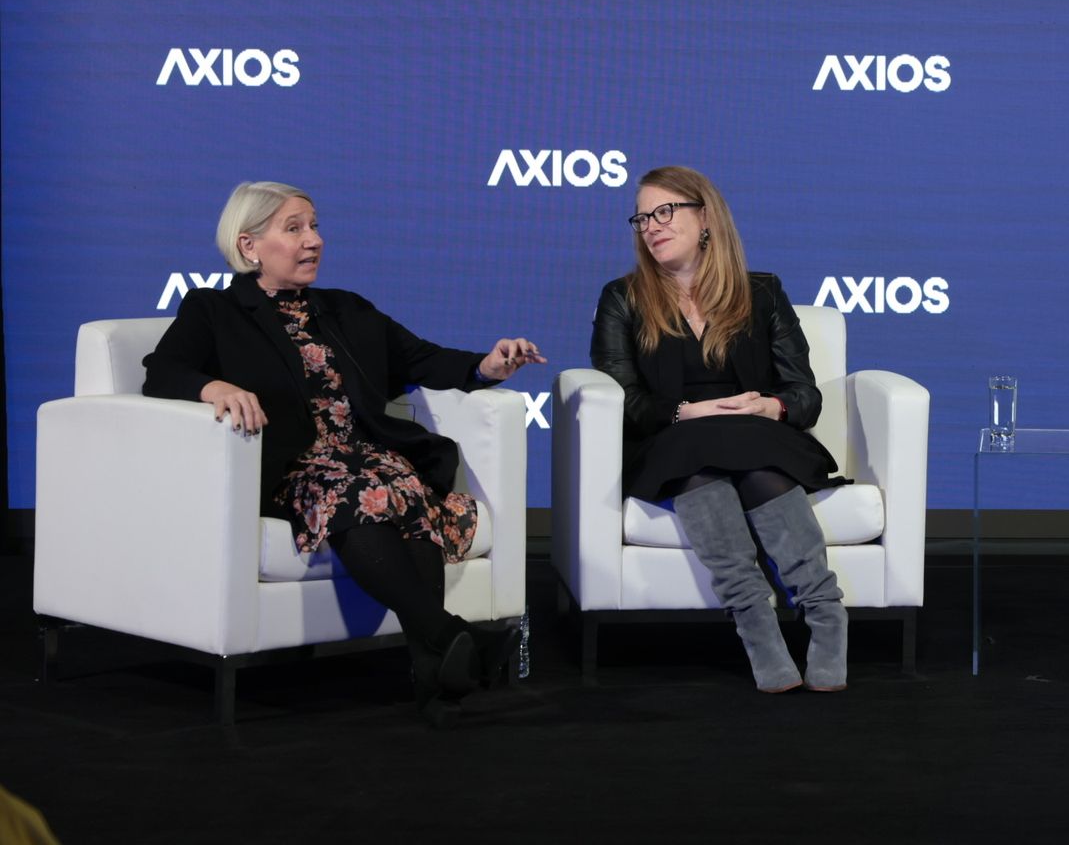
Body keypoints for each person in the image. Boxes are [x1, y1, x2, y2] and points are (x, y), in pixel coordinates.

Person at [143, 181, 546, 724]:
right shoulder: (215, 311)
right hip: (293, 465)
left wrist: (487, 366)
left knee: (400, 485)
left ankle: (437, 677)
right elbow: (163, 372)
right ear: (249, 245)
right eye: (294, 229)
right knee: (363, 490)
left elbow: (423, 358)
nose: (314, 240)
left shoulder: (345, 310)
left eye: (314, 225)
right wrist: (215, 388)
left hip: (367, 457)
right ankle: (454, 639)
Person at [590, 165, 849, 693]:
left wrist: (768, 407)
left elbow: (804, 394)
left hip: (758, 432)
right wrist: (689, 412)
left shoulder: (763, 292)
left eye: (665, 212)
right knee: (696, 457)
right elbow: (625, 400)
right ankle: (757, 627)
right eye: (641, 218)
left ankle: (825, 614)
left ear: (704, 216)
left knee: (753, 457)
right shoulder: (623, 298)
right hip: (674, 437)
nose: (651, 226)